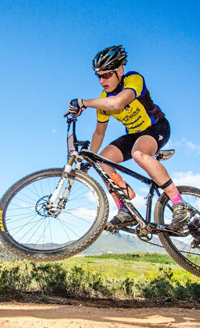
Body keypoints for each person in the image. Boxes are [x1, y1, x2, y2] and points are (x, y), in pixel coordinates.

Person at [68, 44, 190, 231]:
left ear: (120, 70)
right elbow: (99, 133)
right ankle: (124, 208)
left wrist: (83, 102)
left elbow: (118, 103)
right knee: (102, 162)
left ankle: (179, 203)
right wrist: (89, 159)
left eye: (107, 74)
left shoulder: (133, 79)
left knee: (139, 154)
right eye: (99, 75)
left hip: (156, 127)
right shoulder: (102, 100)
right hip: (134, 135)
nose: (102, 80)